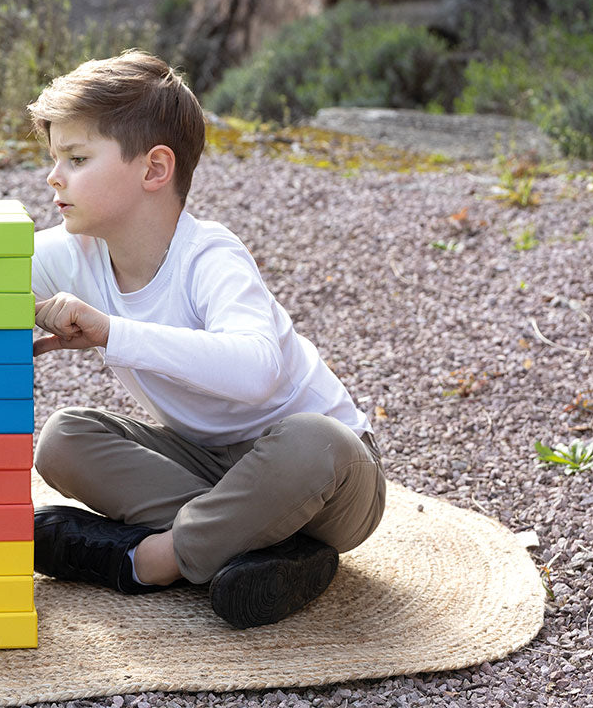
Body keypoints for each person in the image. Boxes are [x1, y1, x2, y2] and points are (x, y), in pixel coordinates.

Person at [26, 50, 386, 629]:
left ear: (153, 169)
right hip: (209, 468)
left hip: (328, 482)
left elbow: (256, 371)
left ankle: (150, 560)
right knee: (65, 438)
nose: (53, 177)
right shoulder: (76, 252)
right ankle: (259, 550)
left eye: (76, 158)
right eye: (54, 158)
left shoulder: (209, 255)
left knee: (319, 440)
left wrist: (111, 332)